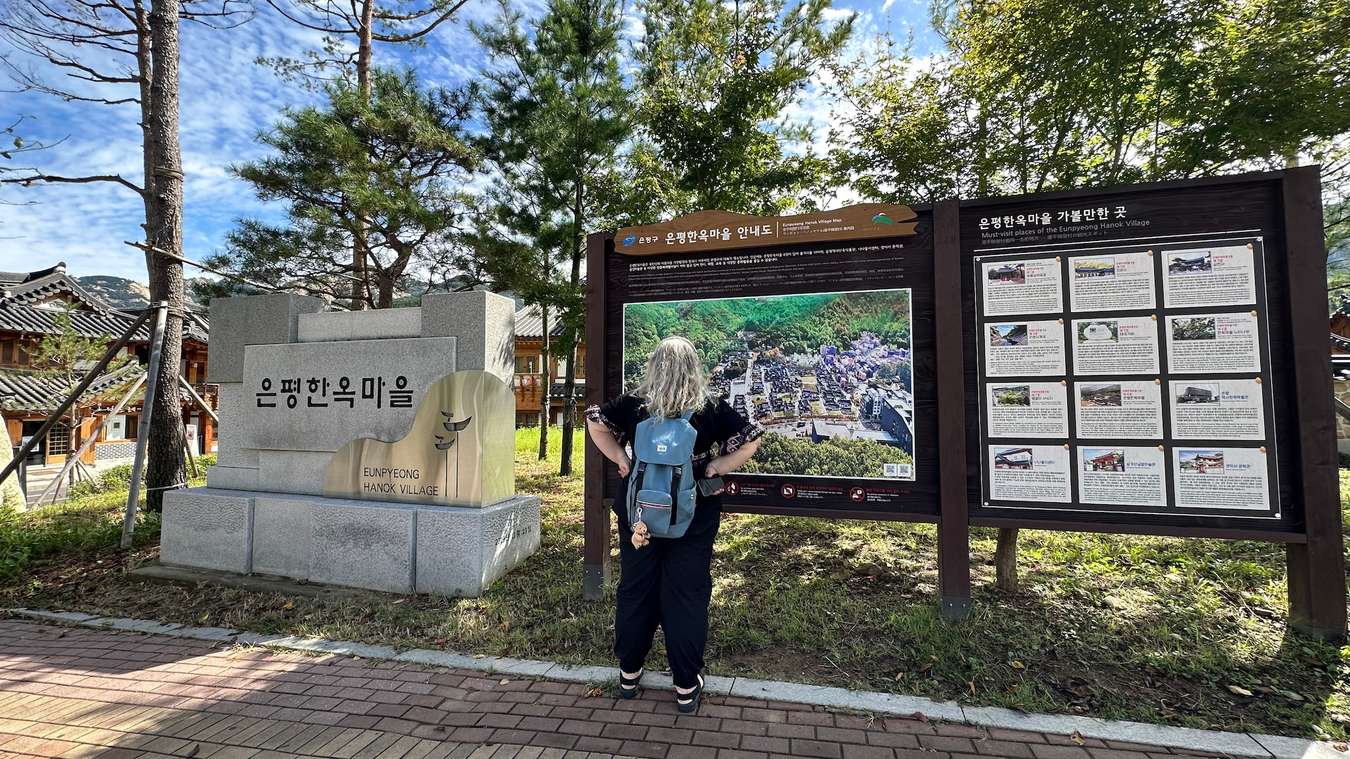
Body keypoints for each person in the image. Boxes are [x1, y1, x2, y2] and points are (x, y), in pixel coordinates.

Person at [585, 335, 762, 713]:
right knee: (686, 593)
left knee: (636, 588)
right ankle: (685, 684)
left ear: (654, 366)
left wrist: (622, 459)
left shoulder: (635, 403)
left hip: (639, 516)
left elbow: (594, 421)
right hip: (692, 514)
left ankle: (629, 673)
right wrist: (717, 467)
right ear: (693, 368)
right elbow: (752, 438)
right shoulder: (709, 407)